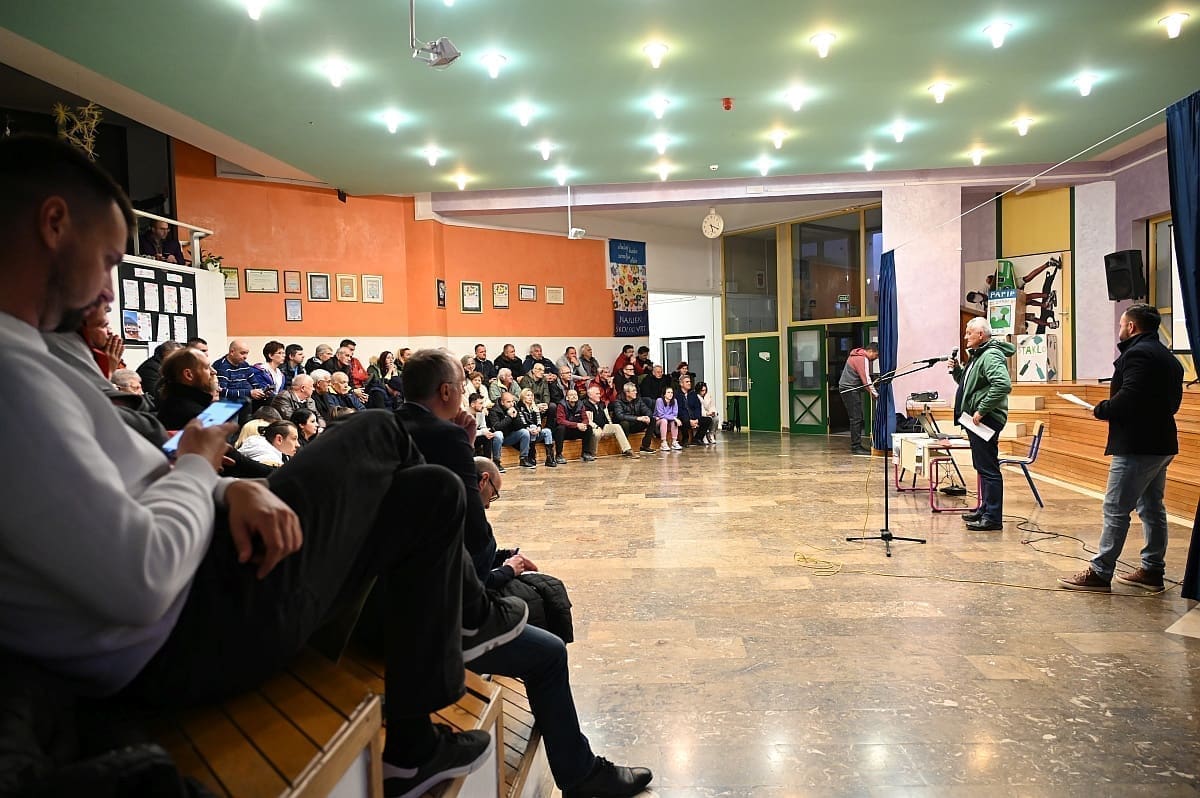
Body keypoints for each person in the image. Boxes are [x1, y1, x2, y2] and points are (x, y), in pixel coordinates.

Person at [0, 135, 527, 798]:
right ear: (53, 224)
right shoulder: (11, 374)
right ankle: (473, 612)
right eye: (107, 260)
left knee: (433, 492)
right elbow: (142, 576)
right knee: (379, 429)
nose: (108, 288)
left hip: (212, 584)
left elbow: (133, 484)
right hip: (194, 626)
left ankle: (413, 747)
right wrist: (199, 469)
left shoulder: (33, 357)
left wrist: (222, 492)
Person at [466, 458, 655, 798]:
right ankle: (579, 774)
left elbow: (466, 565)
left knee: (544, 605)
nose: (492, 502)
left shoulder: (444, 491)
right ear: (483, 480)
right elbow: (472, 585)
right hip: (450, 629)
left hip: (447, 617)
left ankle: (558, 725)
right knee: (549, 651)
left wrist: (505, 557)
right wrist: (508, 569)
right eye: (494, 493)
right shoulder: (459, 502)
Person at [1059, 304, 1184, 592]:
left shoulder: (1138, 354)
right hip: (1161, 442)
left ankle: (1100, 572)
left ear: (1131, 327)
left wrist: (1101, 409)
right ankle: (1152, 570)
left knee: (1116, 508)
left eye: (1121, 325)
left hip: (1138, 445)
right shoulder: (1169, 358)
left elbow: (1130, 398)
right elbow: (1173, 404)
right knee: (1151, 507)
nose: (1119, 330)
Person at [949, 318, 1015, 532]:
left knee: (988, 469)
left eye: (969, 333)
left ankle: (993, 517)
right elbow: (970, 385)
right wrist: (957, 371)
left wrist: (982, 410)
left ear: (981, 335)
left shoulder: (990, 355)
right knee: (982, 466)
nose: (965, 337)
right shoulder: (978, 355)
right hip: (977, 419)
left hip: (986, 419)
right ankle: (985, 509)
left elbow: (1002, 384)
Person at [213, 338, 273, 423]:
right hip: (229, 400)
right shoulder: (222, 367)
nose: (245, 357)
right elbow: (221, 392)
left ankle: (263, 427)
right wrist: (249, 393)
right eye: (242, 353)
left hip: (245, 396)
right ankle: (243, 429)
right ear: (232, 352)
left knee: (271, 398)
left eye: (247, 353)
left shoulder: (244, 365)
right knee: (245, 400)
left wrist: (263, 391)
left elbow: (255, 384)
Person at [838, 342, 878, 456]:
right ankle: (856, 447)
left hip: (846, 388)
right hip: (850, 389)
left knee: (855, 417)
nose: (876, 358)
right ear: (871, 351)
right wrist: (875, 394)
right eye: (876, 355)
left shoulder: (855, 355)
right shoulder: (862, 358)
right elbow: (866, 380)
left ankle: (856, 445)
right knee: (856, 418)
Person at [582, 385, 637, 458]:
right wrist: (597, 427)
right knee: (597, 433)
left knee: (616, 426)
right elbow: (588, 421)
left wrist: (610, 425)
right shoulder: (585, 405)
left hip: (603, 426)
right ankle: (593, 453)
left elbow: (608, 417)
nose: (599, 395)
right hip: (593, 427)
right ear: (590, 395)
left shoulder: (602, 404)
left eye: (599, 393)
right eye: (597, 394)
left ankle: (627, 449)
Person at [488, 391, 535, 469]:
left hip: (509, 436)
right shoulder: (494, 410)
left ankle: (524, 459)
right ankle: (496, 461)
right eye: (508, 402)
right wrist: (509, 417)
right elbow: (496, 427)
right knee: (498, 434)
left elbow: (520, 426)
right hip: (497, 438)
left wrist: (515, 417)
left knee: (524, 432)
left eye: (512, 401)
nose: (511, 404)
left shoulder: (514, 407)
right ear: (502, 402)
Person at [611, 381, 657, 453]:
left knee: (652, 419)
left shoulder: (638, 399)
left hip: (635, 424)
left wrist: (647, 417)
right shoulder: (618, 401)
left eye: (635, 390)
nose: (636, 392)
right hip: (624, 426)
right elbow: (620, 416)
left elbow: (647, 410)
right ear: (627, 393)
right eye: (633, 391)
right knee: (625, 423)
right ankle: (625, 448)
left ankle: (645, 446)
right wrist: (637, 418)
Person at [518, 387, 557, 467]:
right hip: (526, 431)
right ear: (523, 397)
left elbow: (539, 420)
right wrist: (530, 429)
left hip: (536, 431)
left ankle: (550, 457)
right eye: (528, 395)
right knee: (532, 427)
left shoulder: (534, 407)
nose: (530, 397)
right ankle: (531, 455)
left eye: (531, 395)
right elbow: (522, 422)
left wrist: (539, 428)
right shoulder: (519, 407)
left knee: (547, 431)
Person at [555, 388, 596, 463]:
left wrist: (583, 425)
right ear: (567, 398)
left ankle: (586, 453)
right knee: (561, 428)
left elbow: (585, 419)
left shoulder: (580, 404)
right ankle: (558, 455)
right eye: (571, 395)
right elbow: (560, 420)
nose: (574, 396)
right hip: (566, 431)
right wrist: (576, 425)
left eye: (575, 395)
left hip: (577, 430)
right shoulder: (561, 405)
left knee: (588, 428)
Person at [676, 375, 713, 447]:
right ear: (681, 384)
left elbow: (697, 407)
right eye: (687, 382)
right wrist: (689, 420)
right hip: (683, 418)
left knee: (708, 420)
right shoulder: (677, 395)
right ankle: (685, 439)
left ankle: (697, 438)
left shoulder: (693, 394)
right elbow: (679, 410)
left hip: (694, 417)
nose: (689, 383)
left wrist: (696, 419)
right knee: (684, 421)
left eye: (690, 382)